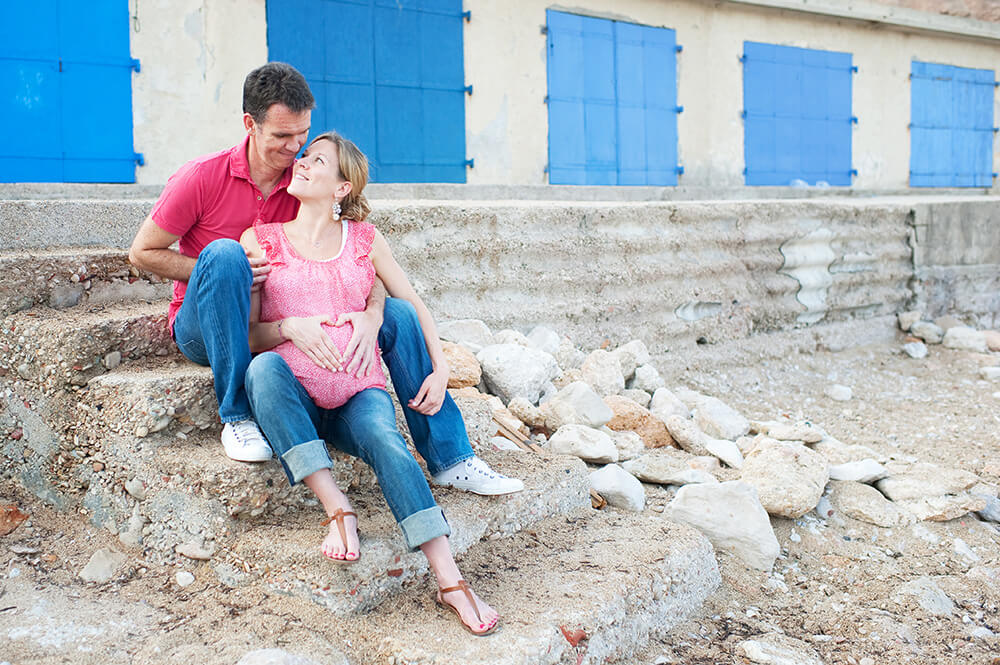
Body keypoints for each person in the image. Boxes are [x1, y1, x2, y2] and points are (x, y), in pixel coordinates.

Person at [128, 62, 521, 496]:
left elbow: (357, 251)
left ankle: (452, 458)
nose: (295, 148)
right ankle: (237, 417)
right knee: (225, 255)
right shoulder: (202, 177)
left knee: (398, 313)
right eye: (282, 136)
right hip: (206, 325)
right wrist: (228, 272)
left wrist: (372, 312)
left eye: (303, 135)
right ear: (249, 124)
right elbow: (142, 253)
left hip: (287, 325)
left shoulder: (301, 181)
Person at [240, 131, 500, 635]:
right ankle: (338, 508)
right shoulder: (261, 239)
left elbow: (412, 303)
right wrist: (289, 326)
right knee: (261, 370)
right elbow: (251, 337)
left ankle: (451, 580)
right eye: (306, 156)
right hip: (293, 392)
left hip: (359, 391)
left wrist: (441, 369)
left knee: (388, 440)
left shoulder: (364, 239)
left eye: (318, 161)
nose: (303, 164)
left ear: (341, 188)